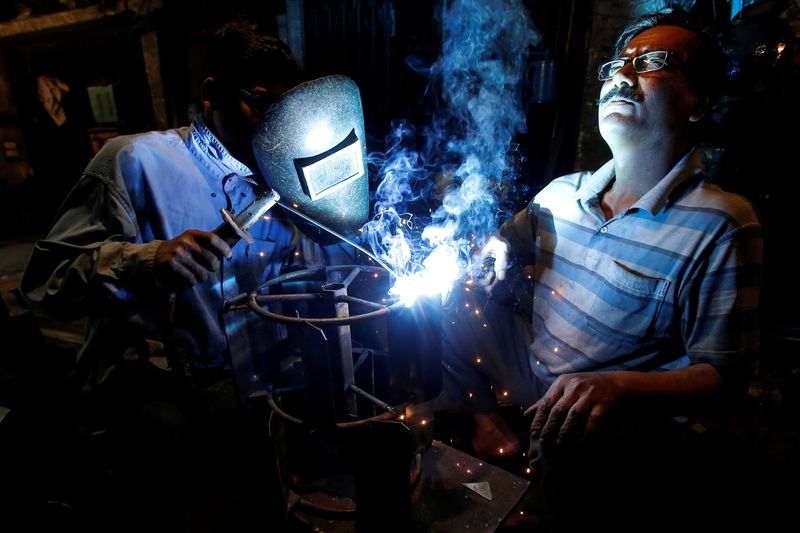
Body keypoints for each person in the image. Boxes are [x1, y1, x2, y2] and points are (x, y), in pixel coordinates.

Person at [19, 18, 353, 531]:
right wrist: (147, 260)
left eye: (283, 110)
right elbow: (45, 282)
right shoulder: (135, 161)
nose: (273, 125)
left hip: (253, 405)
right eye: (261, 102)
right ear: (212, 93)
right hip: (155, 410)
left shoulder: (280, 176)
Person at [433, 7, 763, 526]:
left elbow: (724, 376)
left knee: (557, 494)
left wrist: (617, 385)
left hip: (607, 416)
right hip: (531, 369)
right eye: (618, 64)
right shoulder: (561, 193)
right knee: (450, 294)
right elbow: (500, 245)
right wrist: (491, 246)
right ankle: (486, 416)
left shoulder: (721, 223)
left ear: (698, 103)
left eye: (654, 63)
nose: (623, 75)